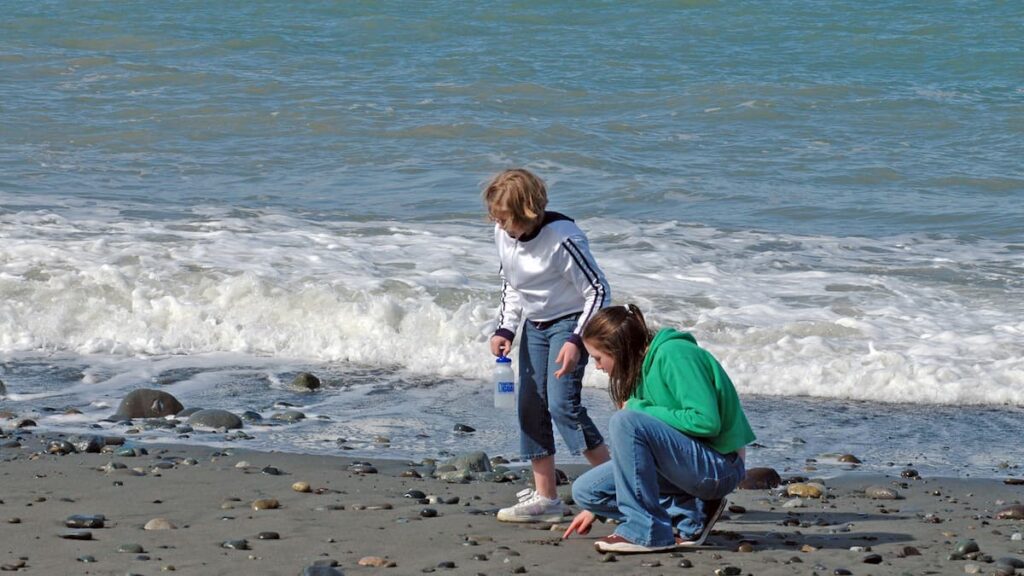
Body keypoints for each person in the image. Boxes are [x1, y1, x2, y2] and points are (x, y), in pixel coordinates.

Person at [562, 304, 754, 553]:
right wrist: (595, 509)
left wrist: (639, 408)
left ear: (618, 349)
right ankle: (690, 513)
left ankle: (647, 531)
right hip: (683, 467)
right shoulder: (637, 370)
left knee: (625, 420)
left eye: (598, 358)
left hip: (720, 466)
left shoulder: (676, 354)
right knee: (587, 492)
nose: (597, 366)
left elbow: (706, 421)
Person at [483, 168, 612, 523]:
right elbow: (511, 285)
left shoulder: (564, 238)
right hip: (535, 326)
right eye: (496, 217)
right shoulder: (502, 234)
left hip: (571, 322)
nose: (501, 225)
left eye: (506, 217)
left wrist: (576, 340)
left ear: (528, 210)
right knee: (530, 405)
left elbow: (598, 291)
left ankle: (625, 483)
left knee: (562, 406)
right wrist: (505, 330)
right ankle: (547, 498)